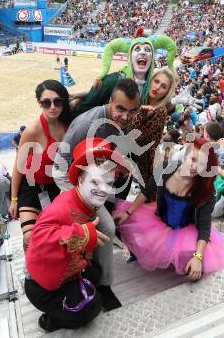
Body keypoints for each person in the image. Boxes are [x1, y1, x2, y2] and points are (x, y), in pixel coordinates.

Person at [53, 78, 141, 311]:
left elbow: (107, 149)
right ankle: (82, 286)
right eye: (120, 108)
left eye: (131, 111)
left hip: (99, 186)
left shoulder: (125, 121)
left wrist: (118, 163)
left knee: (105, 231)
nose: (124, 116)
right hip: (75, 189)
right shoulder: (86, 123)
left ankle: (102, 285)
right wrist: (77, 199)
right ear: (111, 101)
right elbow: (58, 167)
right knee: (99, 231)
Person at [25, 138, 121, 332]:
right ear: (80, 179)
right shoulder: (63, 206)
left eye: (108, 183)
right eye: (95, 181)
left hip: (69, 271)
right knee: (89, 311)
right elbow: (38, 239)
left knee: (95, 273)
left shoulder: (87, 203)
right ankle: (52, 321)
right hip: (43, 286)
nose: (103, 189)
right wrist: (84, 234)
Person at [113, 138, 224, 280]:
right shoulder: (166, 168)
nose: (194, 166)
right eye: (192, 159)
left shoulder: (207, 191)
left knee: (197, 269)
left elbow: (204, 226)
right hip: (160, 221)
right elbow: (146, 190)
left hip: (186, 230)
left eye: (201, 164)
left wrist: (198, 257)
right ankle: (138, 255)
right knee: (122, 223)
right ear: (185, 156)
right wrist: (127, 212)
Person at [9, 80, 72, 251]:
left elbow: (92, 95)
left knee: (49, 239)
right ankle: (32, 272)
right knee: (30, 237)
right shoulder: (33, 130)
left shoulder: (69, 125)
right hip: (29, 187)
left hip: (53, 189)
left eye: (57, 101)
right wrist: (14, 199)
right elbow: (18, 166)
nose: (52, 107)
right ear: (39, 103)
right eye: (46, 102)